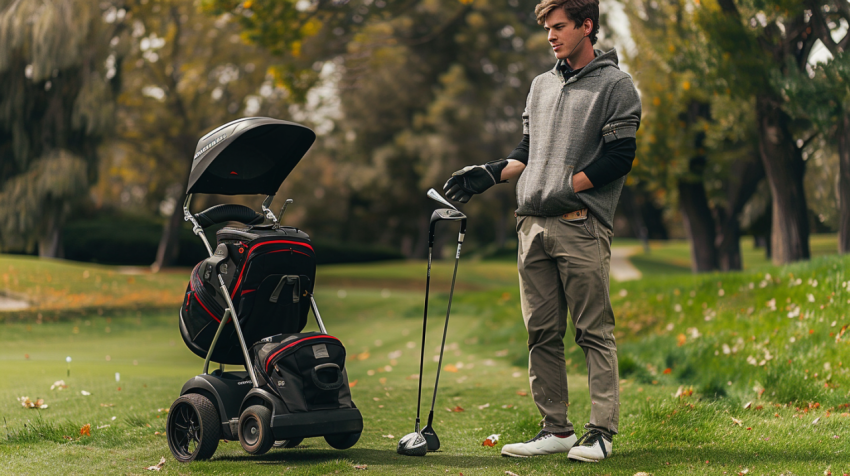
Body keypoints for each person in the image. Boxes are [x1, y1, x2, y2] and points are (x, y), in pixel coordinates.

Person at [443, 0, 641, 462]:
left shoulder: (615, 85)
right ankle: (556, 430)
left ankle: (601, 433)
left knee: (593, 332)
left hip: (580, 225)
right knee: (541, 333)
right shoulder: (540, 85)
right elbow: (528, 150)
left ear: (586, 26)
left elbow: (619, 158)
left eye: (559, 27)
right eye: (548, 29)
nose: (551, 36)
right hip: (531, 226)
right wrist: (491, 173)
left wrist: (562, 186)